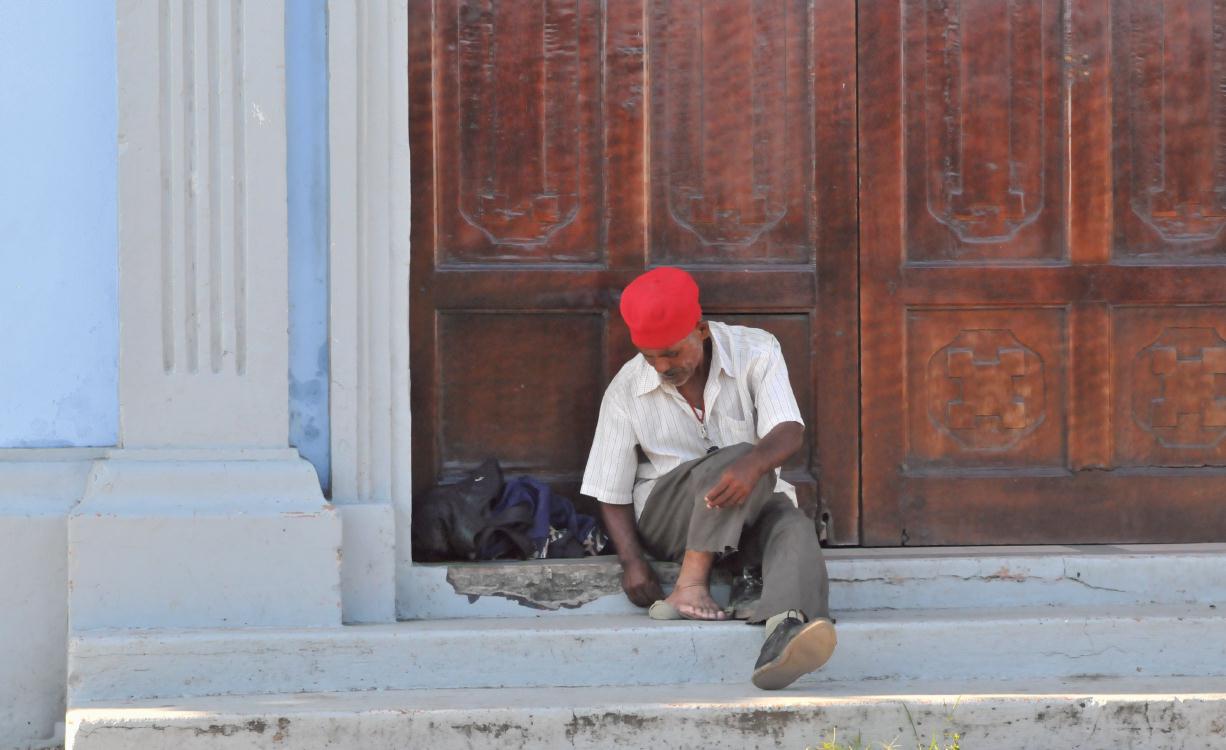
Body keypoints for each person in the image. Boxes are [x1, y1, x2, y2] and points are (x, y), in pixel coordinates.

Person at [581, 266, 836, 690]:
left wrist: (753, 465)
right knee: (738, 456)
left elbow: (788, 430)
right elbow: (609, 488)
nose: (662, 366)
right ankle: (690, 585)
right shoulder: (626, 389)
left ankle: (783, 629)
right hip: (669, 517)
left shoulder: (756, 351)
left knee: (791, 522)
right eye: (651, 357)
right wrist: (632, 562)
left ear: (700, 330)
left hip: (746, 506)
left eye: (672, 354)